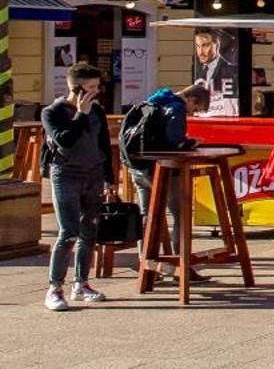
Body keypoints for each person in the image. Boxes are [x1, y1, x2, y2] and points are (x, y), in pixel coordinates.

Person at [42, 63, 115, 311]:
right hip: (66, 175)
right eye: (91, 87)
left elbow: (103, 144)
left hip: (93, 174)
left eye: (97, 87)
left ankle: (81, 284)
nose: (96, 92)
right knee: (68, 232)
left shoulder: (98, 111)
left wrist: (110, 178)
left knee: (89, 232)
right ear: (76, 87)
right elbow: (65, 140)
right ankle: (54, 288)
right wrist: (80, 114)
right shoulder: (52, 112)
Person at [120, 82, 210, 274]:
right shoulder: (177, 108)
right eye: (195, 109)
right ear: (191, 99)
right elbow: (174, 142)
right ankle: (181, 263)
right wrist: (190, 143)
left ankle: (145, 262)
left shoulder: (155, 100)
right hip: (163, 169)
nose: (193, 113)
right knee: (179, 214)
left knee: (148, 215)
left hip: (138, 167)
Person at [190, 28, 234, 96]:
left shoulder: (230, 70)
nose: (200, 52)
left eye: (205, 45)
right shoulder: (197, 70)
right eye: (198, 46)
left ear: (217, 45)